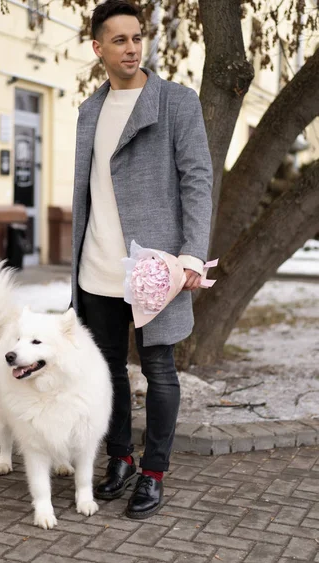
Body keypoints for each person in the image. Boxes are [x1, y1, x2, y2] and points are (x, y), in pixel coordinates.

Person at [71, 0, 212, 519]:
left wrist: (192, 253)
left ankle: (154, 472)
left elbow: (197, 180)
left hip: (154, 266)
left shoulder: (176, 102)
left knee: (159, 369)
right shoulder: (89, 109)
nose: (132, 48)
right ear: (98, 48)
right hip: (96, 265)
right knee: (105, 370)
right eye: (120, 40)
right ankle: (121, 460)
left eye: (137, 37)